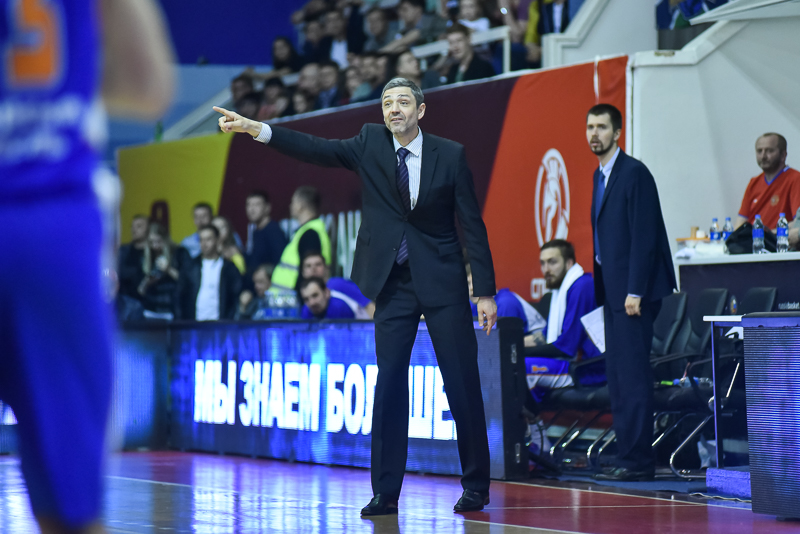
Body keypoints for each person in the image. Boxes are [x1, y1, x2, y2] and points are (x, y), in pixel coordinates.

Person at [214, 76, 498, 514]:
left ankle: (476, 484)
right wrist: (256, 129)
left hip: (442, 282)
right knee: (389, 386)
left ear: (420, 110)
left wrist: (485, 292)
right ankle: (385, 492)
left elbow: (472, 227)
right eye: (387, 103)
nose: (394, 109)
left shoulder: (451, 155)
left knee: (461, 383)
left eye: (403, 102)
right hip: (392, 284)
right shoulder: (369, 143)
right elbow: (315, 148)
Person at [0, 0, 174, 532]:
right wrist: (64, 85)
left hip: (45, 225)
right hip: (48, 227)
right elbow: (148, 87)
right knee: (70, 514)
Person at [587, 104, 676, 482]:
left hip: (632, 295)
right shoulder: (600, 174)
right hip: (613, 293)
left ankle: (639, 461)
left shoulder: (634, 172)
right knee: (619, 378)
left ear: (617, 132)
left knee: (634, 378)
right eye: (590, 127)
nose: (594, 134)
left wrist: (635, 290)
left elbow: (644, 237)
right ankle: (627, 455)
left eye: (602, 127)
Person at [525, 240, 602, 402]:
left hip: (588, 368)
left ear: (569, 263)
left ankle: (531, 417)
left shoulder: (582, 287)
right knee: (509, 363)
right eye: (543, 263)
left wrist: (519, 352)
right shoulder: (560, 290)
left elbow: (566, 347)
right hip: (572, 364)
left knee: (520, 367)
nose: (546, 269)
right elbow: (544, 337)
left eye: (552, 262)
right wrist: (507, 344)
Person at [270, 186, 332, 292]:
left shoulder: (310, 234)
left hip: (294, 298)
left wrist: (303, 298)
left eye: (293, 202)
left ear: (300, 205)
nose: (290, 206)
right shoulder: (309, 230)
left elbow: (310, 275)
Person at [735, 133, 800, 229]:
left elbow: (797, 223)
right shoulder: (754, 182)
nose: (763, 156)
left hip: (777, 238)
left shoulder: (795, 179)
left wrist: (769, 234)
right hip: (752, 237)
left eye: (769, 151)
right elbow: (741, 221)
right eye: (759, 151)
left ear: (783, 155)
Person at [177, 225, 242, 321]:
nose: (204, 244)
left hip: (220, 323)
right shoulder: (190, 267)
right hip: (194, 323)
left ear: (217, 240)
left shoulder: (229, 268)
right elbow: (180, 295)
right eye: (201, 240)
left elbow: (235, 296)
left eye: (208, 239)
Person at [301, 251, 375, 318]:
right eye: (308, 266)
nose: (313, 269)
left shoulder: (337, 284)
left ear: (326, 268)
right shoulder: (304, 295)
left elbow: (369, 305)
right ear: (303, 272)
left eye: (318, 264)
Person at [139, 222, 189, 319]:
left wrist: (168, 269)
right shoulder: (145, 258)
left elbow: (185, 281)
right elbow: (140, 291)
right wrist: (147, 282)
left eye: (158, 241)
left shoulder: (179, 253)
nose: (155, 246)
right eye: (151, 242)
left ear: (165, 239)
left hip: (171, 309)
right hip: (150, 309)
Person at [244, 190, 287, 286]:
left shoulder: (274, 231)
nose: (251, 209)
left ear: (267, 208)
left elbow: (280, 262)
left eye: (257, 205)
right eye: (248, 205)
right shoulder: (255, 232)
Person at [118, 215, 150, 302]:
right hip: (124, 301)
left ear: (148, 229)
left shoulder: (153, 252)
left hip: (147, 303)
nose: (134, 230)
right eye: (132, 226)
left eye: (139, 226)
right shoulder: (122, 251)